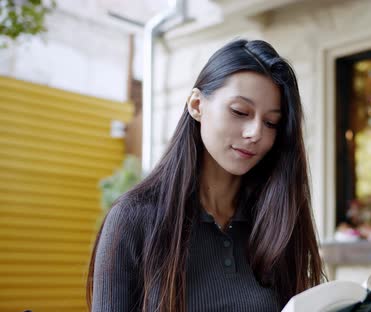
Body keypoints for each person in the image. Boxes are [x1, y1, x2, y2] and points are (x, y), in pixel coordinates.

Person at [86, 39, 325, 312]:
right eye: (240, 112)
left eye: (271, 122)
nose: (256, 133)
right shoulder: (132, 218)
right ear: (197, 105)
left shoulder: (277, 221)